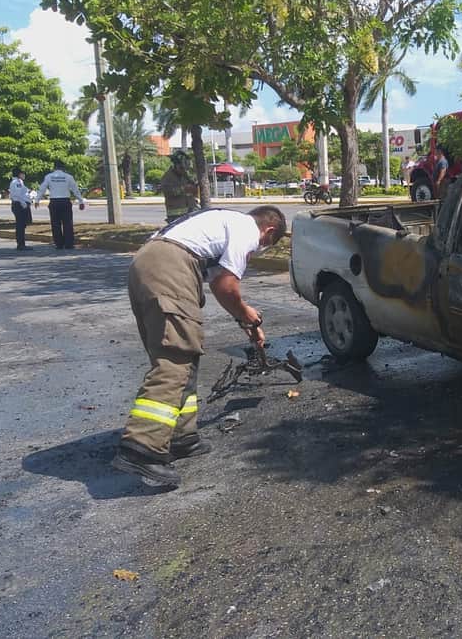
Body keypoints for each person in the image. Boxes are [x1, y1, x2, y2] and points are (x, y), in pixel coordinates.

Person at [111, 205, 288, 487]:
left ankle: (181, 436)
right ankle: (141, 447)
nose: (259, 250)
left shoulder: (222, 222)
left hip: (147, 265)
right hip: (170, 267)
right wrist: (247, 313)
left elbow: (218, 286)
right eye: (266, 244)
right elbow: (228, 286)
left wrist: (245, 322)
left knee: (185, 357)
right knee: (175, 358)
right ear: (268, 231)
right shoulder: (246, 229)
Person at [38, 160, 86, 249]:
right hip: (65, 201)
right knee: (68, 223)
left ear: (54, 167)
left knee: (55, 223)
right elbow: (75, 189)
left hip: (54, 202)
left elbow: (42, 188)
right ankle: (69, 243)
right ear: (63, 168)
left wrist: (37, 200)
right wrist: (81, 201)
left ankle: (59, 244)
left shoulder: (49, 176)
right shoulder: (68, 177)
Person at [159, 150, 199, 223]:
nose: (184, 170)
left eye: (185, 169)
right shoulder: (167, 177)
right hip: (175, 216)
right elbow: (168, 192)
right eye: (181, 168)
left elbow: (193, 190)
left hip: (190, 212)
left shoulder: (185, 176)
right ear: (175, 165)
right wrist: (184, 188)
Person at [7, 168, 33, 251]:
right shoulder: (16, 182)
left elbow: (23, 193)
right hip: (19, 205)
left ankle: (22, 244)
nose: (24, 175)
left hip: (21, 204)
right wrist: (23, 203)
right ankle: (21, 244)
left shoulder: (20, 182)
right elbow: (17, 195)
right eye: (23, 173)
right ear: (19, 174)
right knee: (20, 226)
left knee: (22, 225)